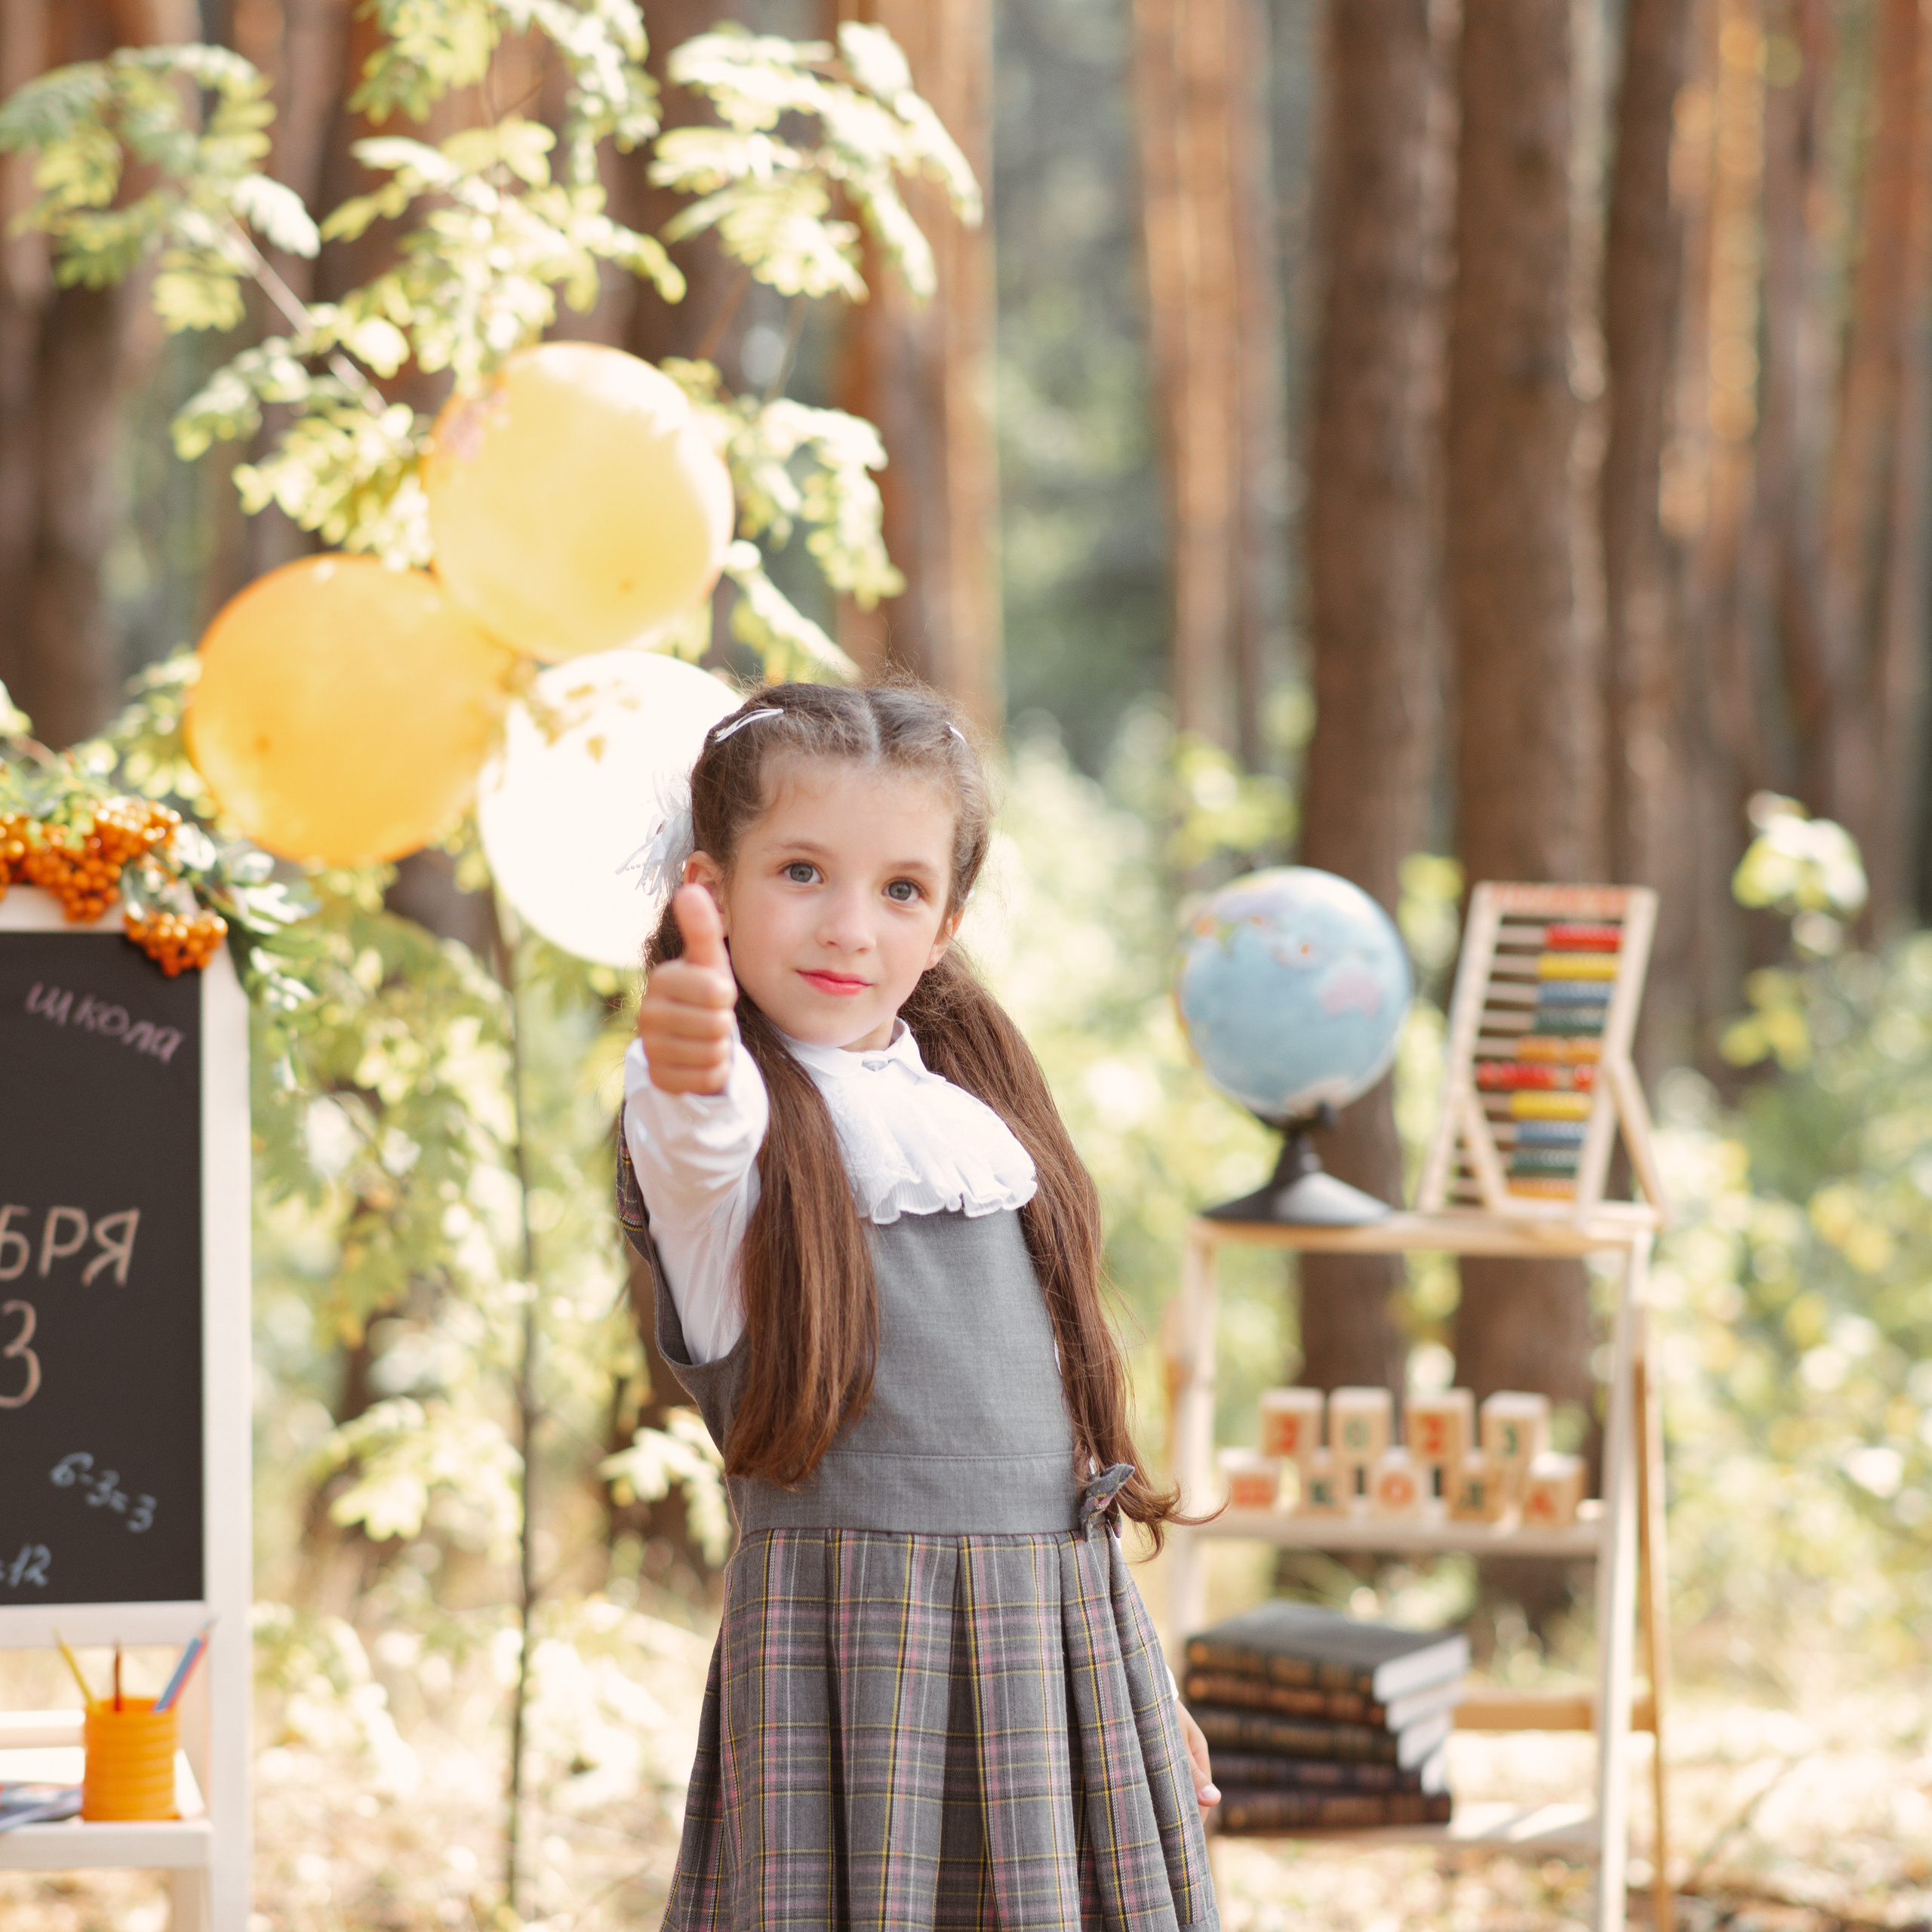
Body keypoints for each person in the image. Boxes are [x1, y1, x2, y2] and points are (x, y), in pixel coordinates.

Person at [617, 680, 1220, 1930]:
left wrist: (1143, 1682)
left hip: (1059, 1662)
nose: (849, 927)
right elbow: (698, 1126)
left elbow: (1059, 1469)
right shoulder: (725, 1132)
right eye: (799, 871)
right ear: (709, 888)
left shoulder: (974, 1117)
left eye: (899, 890)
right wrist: (686, 1040)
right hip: (860, 1678)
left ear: (946, 923)